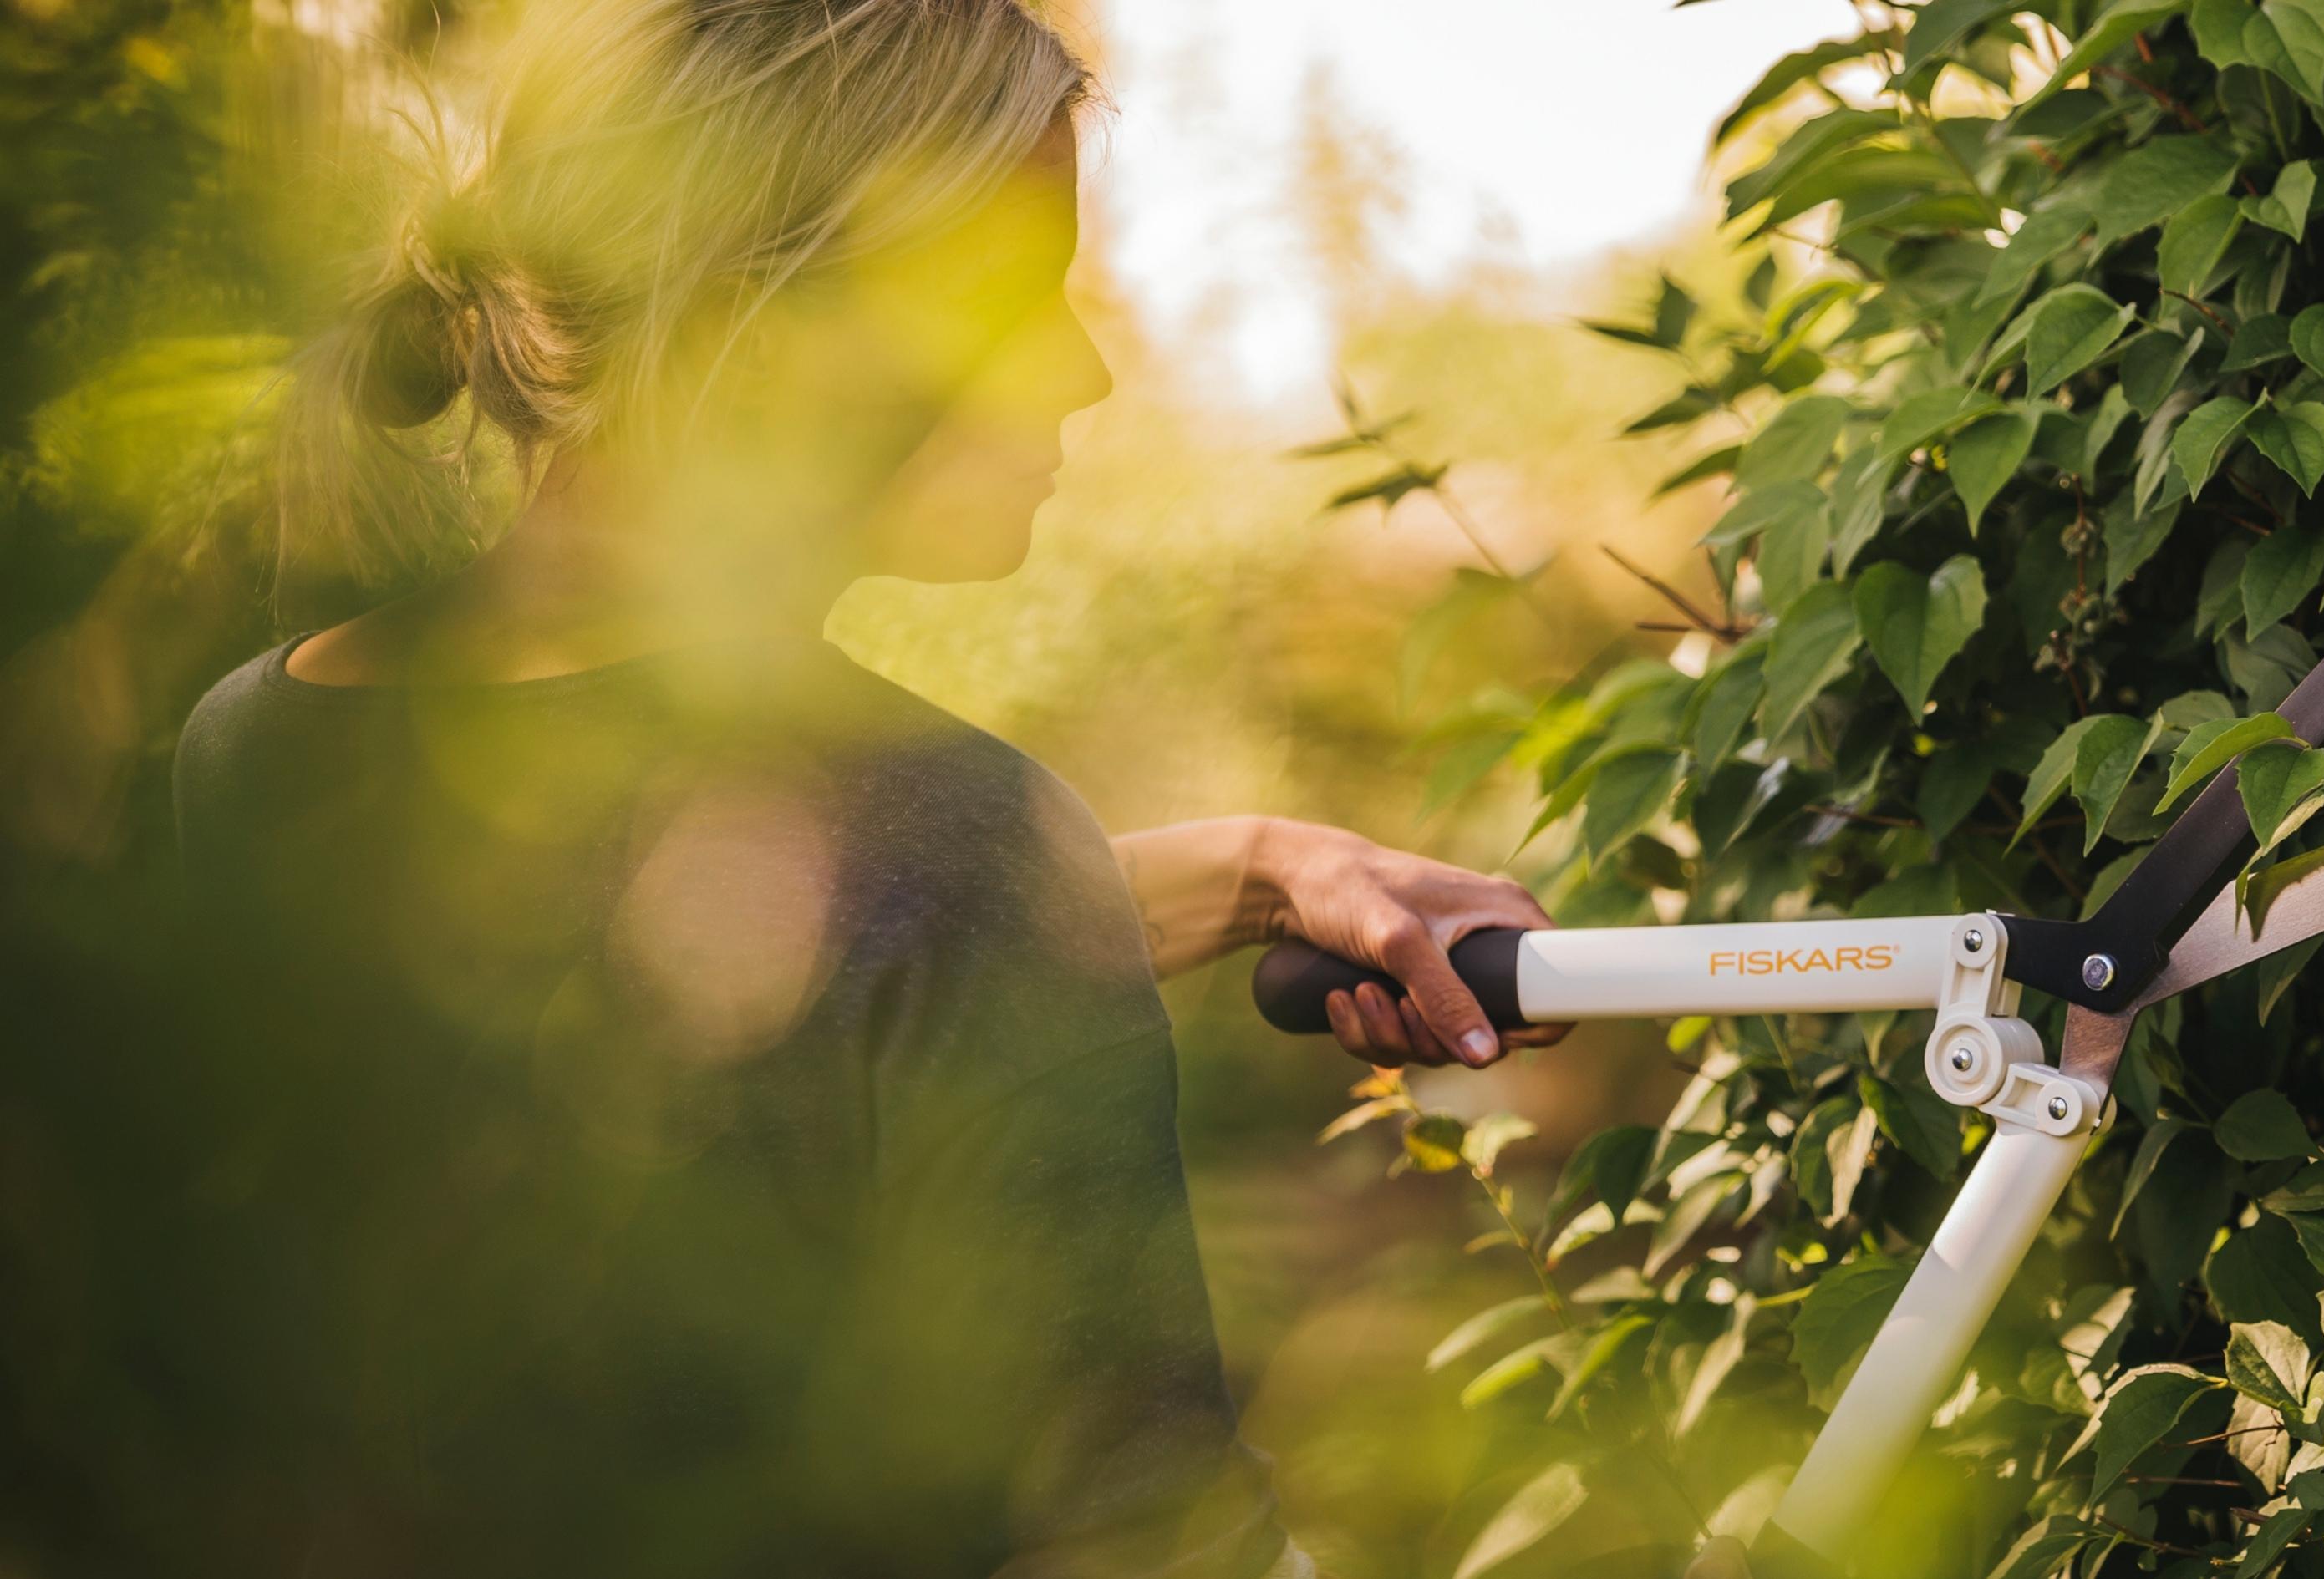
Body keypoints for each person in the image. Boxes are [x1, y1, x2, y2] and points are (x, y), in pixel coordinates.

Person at [170, 0, 1565, 1573]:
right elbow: (1143, 1536)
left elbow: (691, 995)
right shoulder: (965, 842)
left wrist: (1231, 866)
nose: (1089, 373)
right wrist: (1042, 907)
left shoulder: (250, 743)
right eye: (1013, 300)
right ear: (770, 327)